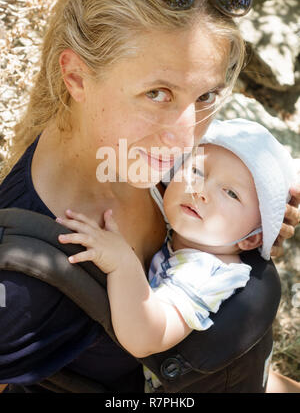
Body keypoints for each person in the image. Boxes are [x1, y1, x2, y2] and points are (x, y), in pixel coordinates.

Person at [0, 0, 299, 393]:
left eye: (205, 97)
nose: (186, 139)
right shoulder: (19, 291)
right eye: (156, 94)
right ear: (77, 77)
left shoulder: (155, 155)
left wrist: (249, 223)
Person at [55, 118, 297, 392]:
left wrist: (121, 263)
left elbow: (145, 335)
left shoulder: (204, 273)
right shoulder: (188, 235)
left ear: (252, 238)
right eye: (196, 170)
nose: (201, 191)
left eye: (231, 193)